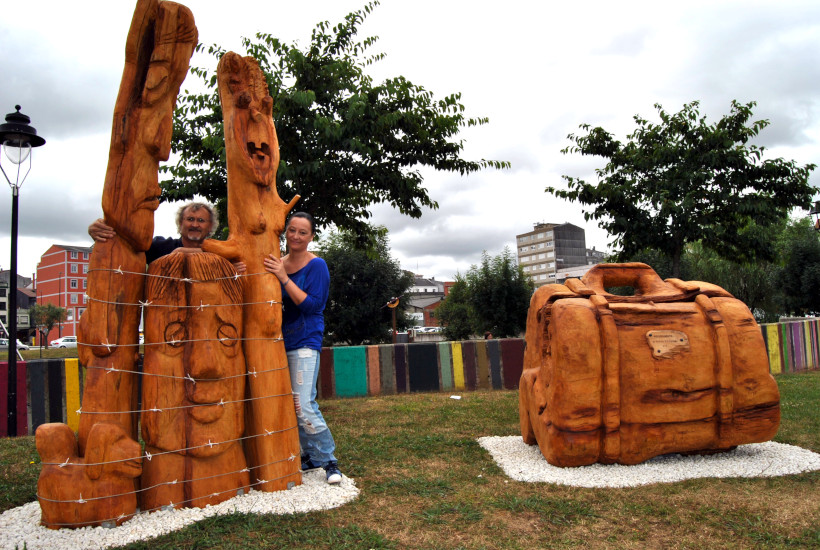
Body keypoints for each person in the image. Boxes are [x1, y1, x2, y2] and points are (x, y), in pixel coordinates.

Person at [263, 212, 342, 485]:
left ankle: (330, 461)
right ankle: (311, 456)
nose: (295, 236)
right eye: (292, 230)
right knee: (289, 404)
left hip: (306, 341)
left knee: (304, 404)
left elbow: (313, 306)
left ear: (311, 237)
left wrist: (284, 278)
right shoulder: (278, 263)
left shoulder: (316, 265)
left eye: (302, 232)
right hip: (278, 342)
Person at [88, 202, 219, 264]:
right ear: (180, 223)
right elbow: (124, 247)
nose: (195, 224)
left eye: (201, 220)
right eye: (190, 219)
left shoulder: (221, 251)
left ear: (210, 226)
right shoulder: (160, 247)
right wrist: (100, 230)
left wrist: (182, 253)